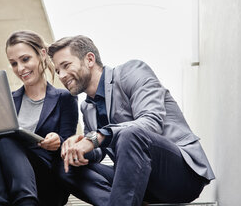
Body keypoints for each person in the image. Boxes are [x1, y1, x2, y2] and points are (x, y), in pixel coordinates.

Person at [47, 35, 215, 206]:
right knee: (64, 168)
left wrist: (96, 137)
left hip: (181, 176)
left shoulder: (132, 72)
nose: (61, 75)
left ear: (89, 59)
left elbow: (151, 122)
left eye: (66, 66)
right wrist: (79, 147)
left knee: (131, 134)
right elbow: (98, 153)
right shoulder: (87, 108)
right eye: (58, 70)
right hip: (138, 181)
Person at [0, 30, 78, 206]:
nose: (20, 69)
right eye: (13, 63)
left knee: (8, 142)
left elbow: (67, 145)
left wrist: (58, 141)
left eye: (25, 59)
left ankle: (25, 202)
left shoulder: (64, 98)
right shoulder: (8, 100)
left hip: (46, 181)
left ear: (42, 54)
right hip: (9, 180)